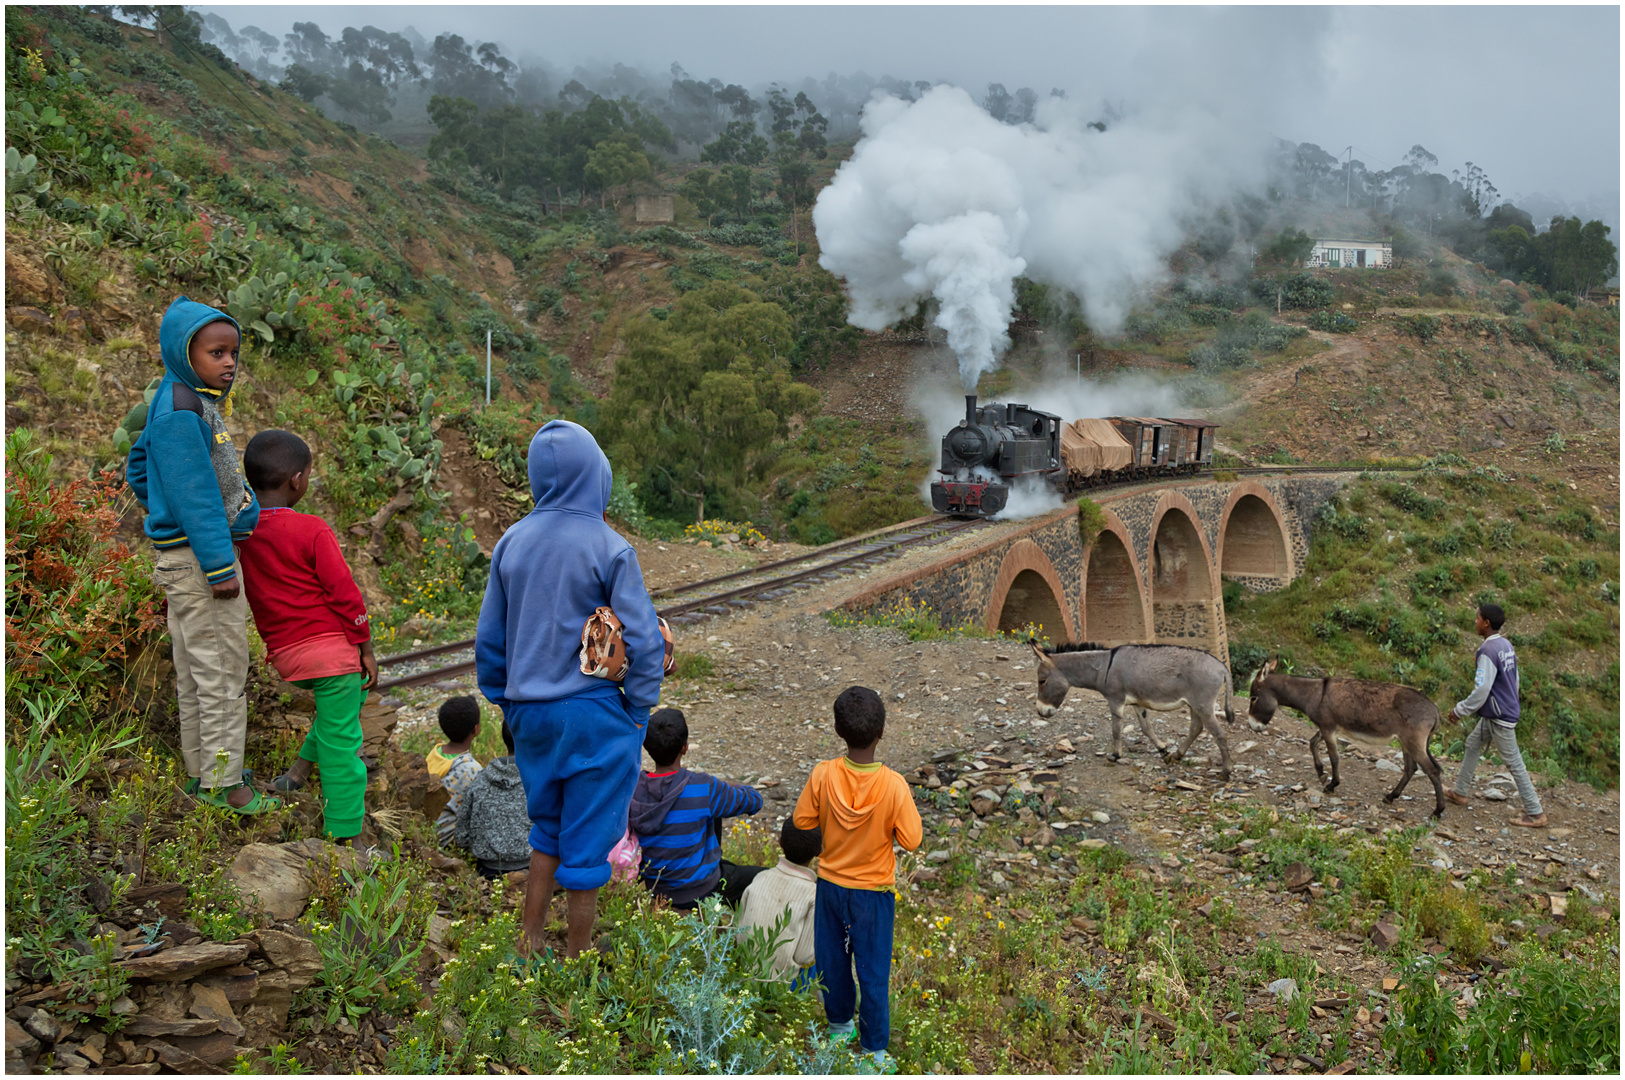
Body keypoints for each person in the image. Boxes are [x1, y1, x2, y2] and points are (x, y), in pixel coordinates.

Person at [475, 420, 665, 960]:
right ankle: (578, 958)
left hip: (529, 715)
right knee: (588, 842)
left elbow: (491, 638)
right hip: (594, 717)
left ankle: (530, 937)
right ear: (595, 476)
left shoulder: (512, 541)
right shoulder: (610, 547)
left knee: (548, 829)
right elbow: (645, 641)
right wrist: (637, 707)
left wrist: (506, 699)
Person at [126, 297, 272, 813]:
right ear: (183, 353)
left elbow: (139, 467)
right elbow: (198, 496)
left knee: (196, 672)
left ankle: (201, 773)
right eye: (217, 352)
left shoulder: (182, 400)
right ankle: (225, 786)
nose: (229, 362)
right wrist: (216, 564)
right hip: (202, 563)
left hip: (184, 556)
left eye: (233, 352)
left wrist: (161, 508)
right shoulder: (182, 411)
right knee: (224, 674)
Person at [236, 430, 375, 845]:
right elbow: (344, 592)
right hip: (332, 655)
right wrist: (365, 645)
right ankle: (344, 836)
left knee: (344, 709)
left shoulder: (242, 533)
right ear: (297, 480)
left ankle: (297, 773)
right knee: (343, 746)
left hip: (286, 658)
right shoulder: (312, 529)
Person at [793, 686, 922, 1069]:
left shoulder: (823, 774)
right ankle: (875, 1052)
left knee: (833, 961)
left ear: (838, 729)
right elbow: (912, 840)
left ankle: (838, 1027)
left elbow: (801, 821)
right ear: (881, 733)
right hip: (874, 893)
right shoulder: (894, 786)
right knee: (873, 970)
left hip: (831, 886)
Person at [628, 708, 765, 909]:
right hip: (701, 889)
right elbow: (754, 801)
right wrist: (727, 785)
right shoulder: (703, 786)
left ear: (647, 747)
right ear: (684, 747)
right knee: (763, 877)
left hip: (655, 888)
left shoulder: (633, 788)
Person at [1445, 603, 1546, 827]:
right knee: (1472, 744)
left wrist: (1458, 711)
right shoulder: (1505, 645)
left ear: (1486, 623)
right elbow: (1514, 679)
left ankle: (1536, 813)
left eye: (1478, 618)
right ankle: (1460, 793)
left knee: (1515, 763)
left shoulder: (1487, 652)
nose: (1475, 622)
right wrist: (1511, 702)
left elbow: (1481, 690)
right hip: (1498, 712)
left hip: (1499, 716)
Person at [735, 817, 822, 984]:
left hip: (746, 978)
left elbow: (738, 932)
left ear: (780, 842)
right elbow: (805, 956)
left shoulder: (759, 878)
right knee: (824, 952)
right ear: (819, 851)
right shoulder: (813, 894)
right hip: (783, 985)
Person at [453, 720, 532, 879]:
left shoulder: (480, 780)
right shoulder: (539, 782)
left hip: (488, 870)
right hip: (533, 867)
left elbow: (461, 835)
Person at [428, 697, 484, 845]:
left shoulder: (435, 752)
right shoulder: (472, 770)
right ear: (476, 729)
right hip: (446, 840)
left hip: (426, 829)